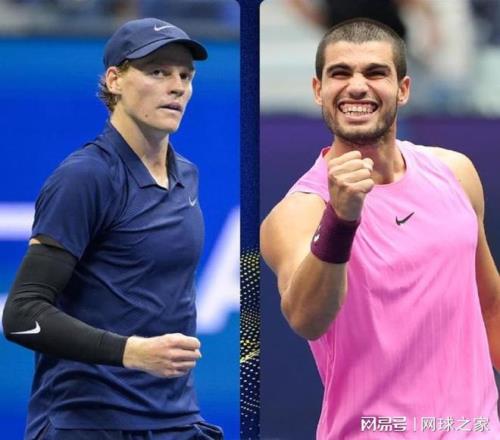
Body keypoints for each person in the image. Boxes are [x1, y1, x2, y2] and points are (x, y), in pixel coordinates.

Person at [260, 18, 500, 439]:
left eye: (374, 73)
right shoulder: (298, 212)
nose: (357, 86)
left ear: (403, 89)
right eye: (340, 73)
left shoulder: (456, 171)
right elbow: (307, 318)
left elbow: (491, 307)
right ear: (318, 90)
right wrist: (341, 219)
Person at [2, 17, 223, 440]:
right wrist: (130, 352)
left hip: (175, 421)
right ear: (115, 80)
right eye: (158, 71)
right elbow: (22, 315)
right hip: (87, 424)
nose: (176, 87)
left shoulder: (186, 175)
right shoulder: (85, 177)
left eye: (185, 75)